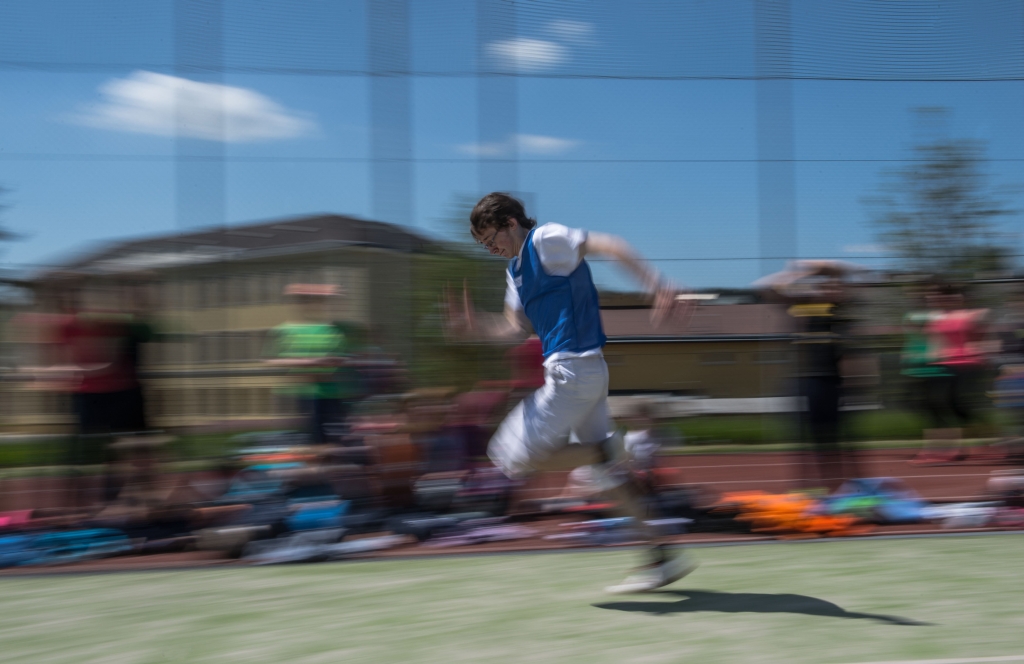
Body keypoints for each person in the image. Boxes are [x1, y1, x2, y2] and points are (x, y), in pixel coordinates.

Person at [446, 192, 696, 593]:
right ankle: (661, 555)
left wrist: (657, 285)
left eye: (491, 239)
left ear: (511, 222)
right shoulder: (515, 271)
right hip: (584, 374)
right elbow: (514, 329)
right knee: (606, 476)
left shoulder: (546, 239)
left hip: (573, 370)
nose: (490, 249)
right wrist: (476, 329)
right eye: (483, 245)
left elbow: (612, 245)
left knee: (512, 455)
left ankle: (607, 450)